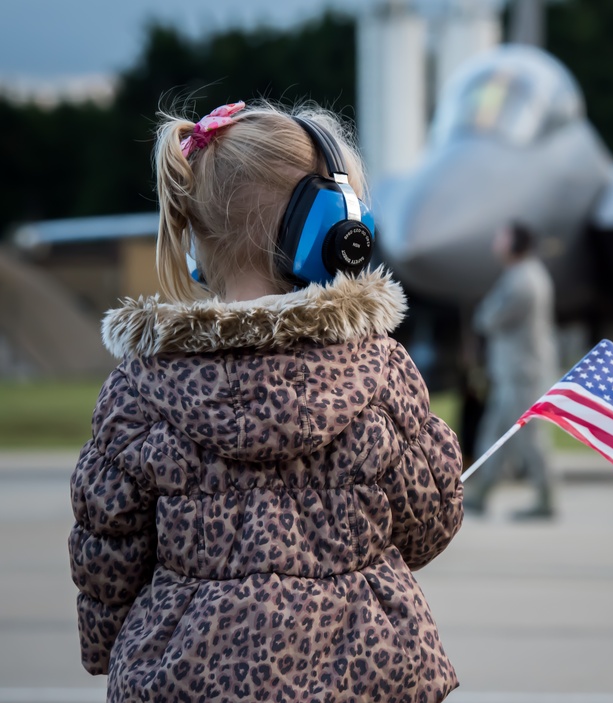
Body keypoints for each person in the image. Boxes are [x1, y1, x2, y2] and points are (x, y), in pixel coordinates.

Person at [68, 100, 464, 702]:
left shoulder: (139, 388)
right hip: (367, 676)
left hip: (187, 677)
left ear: (196, 239)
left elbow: (108, 551)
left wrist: (106, 644)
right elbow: (427, 528)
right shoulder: (381, 372)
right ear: (338, 235)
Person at [463, 223, 557, 519]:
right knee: (496, 433)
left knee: (527, 438)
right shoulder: (522, 275)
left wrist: (483, 313)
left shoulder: (523, 281)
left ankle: (546, 499)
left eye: (502, 237)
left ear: (516, 244)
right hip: (514, 372)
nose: (497, 242)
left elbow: (488, 318)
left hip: (521, 374)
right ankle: (482, 493)